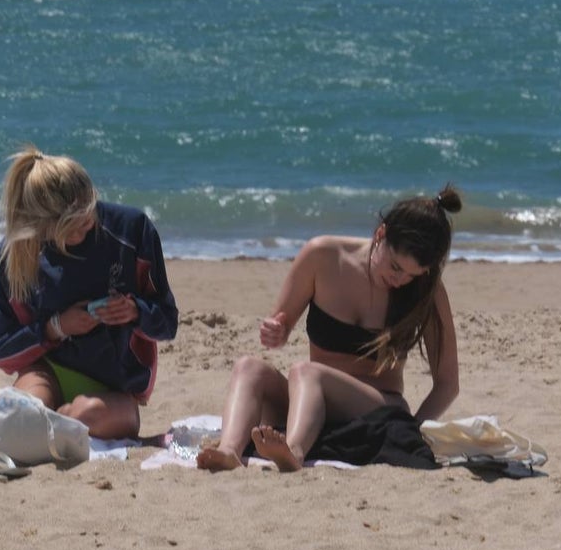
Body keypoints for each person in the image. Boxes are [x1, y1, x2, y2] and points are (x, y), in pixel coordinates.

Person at [197, 185, 463, 472]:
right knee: (249, 367)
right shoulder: (322, 256)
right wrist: (277, 331)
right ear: (380, 234)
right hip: (313, 403)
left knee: (306, 371)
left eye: (412, 275)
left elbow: (448, 383)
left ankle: (294, 453)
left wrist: (415, 427)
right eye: (396, 267)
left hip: (379, 407)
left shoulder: (427, 292)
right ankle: (229, 452)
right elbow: (281, 326)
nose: (401, 281)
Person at [0, 145, 179, 440]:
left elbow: (168, 323)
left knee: (81, 418)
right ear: (42, 226)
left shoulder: (131, 231)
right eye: (73, 228)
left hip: (115, 385)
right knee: (24, 419)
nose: (86, 228)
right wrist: (55, 328)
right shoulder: (12, 258)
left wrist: (135, 311)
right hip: (47, 371)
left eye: (89, 217)